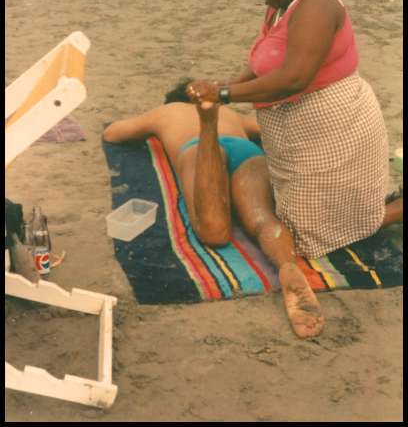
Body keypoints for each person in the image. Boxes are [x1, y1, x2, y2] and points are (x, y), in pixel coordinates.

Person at [187, 0, 403, 261]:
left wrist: (225, 94)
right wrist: (219, 87)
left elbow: (294, 78)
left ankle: (397, 208)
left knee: (303, 240)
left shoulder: (317, 3)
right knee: (305, 223)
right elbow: (261, 65)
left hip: (337, 133)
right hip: (301, 142)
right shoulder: (280, 6)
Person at [103, 80, 325, 339]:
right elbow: (270, 128)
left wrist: (152, 128)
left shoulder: (165, 112)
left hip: (198, 148)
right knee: (263, 218)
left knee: (214, 232)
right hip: (246, 150)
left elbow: (112, 134)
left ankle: (207, 124)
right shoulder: (233, 115)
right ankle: (288, 266)